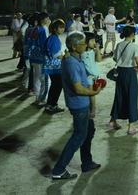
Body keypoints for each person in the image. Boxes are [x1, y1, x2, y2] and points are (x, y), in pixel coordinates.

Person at [51, 32, 104, 180]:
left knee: (89, 130)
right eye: (83, 43)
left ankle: (86, 162)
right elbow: (78, 89)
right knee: (78, 136)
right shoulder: (72, 63)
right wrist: (95, 91)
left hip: (83, 103)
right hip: (79, 104)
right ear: (74, 46)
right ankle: (59, 170)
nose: (86, 45)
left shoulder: (75, 58)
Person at [109, 25, 138, 135]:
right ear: (132, 34)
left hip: (120, 72)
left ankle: (113, 120)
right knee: (131, 97)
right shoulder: (135, 46)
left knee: (119, 95)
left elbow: (115, 58)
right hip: (130, 72)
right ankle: (131, 126)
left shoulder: (119, 44)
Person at [44, 19, 66, 114]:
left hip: (51, 65)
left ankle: (50, 105)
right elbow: (55, 54)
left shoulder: (52, 37)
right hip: (54, 66)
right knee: (58, 85)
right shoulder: (54, 38)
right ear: (55, 28)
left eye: (63, 27)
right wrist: (66, 56)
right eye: (60, 27)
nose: (62, 29)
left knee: (54, 85)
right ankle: (53, 105)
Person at [29, 12, 51, 105]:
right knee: (45, 80)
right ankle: (41, 100)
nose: (49, 19)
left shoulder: (34, 29)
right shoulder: (44, 29)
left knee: (36, 78)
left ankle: (37, 98)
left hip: (33, 57)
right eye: (47, 18)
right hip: (42, 58)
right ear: (43, 20)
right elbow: (45, 45)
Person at [81, 32, 103, 118]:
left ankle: (92, 110)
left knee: (91, 94)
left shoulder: (93, 51)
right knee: (87, 94)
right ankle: (88, 109)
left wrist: (97, 49)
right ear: (86, 42)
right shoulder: (81, 53)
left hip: (93, 76)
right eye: (92, 40)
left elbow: (99, 60)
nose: (94, 42)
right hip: (85, 76)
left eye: (95, 40)